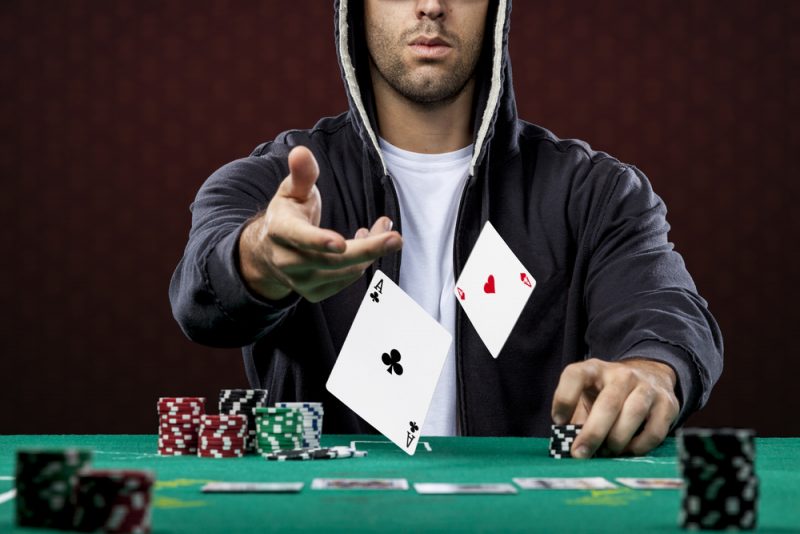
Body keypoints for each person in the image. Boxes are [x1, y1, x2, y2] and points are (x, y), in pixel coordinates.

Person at [169, 0, 723, 458]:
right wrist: (261, 259)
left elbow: (663, 307)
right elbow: (200, 295)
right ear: (352, 10)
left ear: (497, 10)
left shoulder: (595, 194)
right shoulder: (273, 181)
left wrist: (651, 370)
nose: (430, 6)